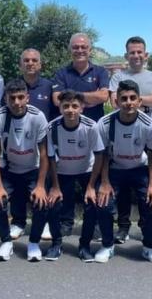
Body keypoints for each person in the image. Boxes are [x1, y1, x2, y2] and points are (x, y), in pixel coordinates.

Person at [0, 79, 49, 261]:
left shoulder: (38, 116)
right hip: (8, 169)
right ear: (5, 99)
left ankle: (33, 243)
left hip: (32, 168)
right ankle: (6, 241)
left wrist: (41, 185)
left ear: (27, 98)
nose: (16, 102)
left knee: (42, 202)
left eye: (20, 97)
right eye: (12, 98)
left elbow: (44, 153)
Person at [96, 80, 152, 264]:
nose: (128, 102)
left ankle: (149, 246)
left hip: (139, 169)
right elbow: (103, 154)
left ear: (139, 101)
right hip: (114, 169)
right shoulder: (105, 123)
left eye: (133, 98)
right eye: (124, 98)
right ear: (116, 101)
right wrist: (104, 182)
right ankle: (107, 245)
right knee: (103, 204)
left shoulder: (149, 124)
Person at [108, 36, 152, 243]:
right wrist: (142, 101)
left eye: (139, 52)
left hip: (148, 133)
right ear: (126, 55)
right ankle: (123, 227)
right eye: (132, 52)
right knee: (123, 187)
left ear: (146, 54)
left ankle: (145, 227)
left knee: (146, 186)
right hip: (123, 131)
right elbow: (115, 102)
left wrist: (134, 102)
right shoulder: (118, 77)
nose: (136, 56)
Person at [46, 90, 106, 262]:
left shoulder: (91, 126)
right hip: (62, 171)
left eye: (74, 106)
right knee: (52, 204)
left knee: (92, 203)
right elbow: (50, 157)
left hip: (86, 170)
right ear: (60, 108)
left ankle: (85, 245)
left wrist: (91, 187)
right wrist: (55, 187)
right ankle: (56, 244)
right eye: (66, 106)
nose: (70, 110)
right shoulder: (51, 127)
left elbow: (99, 155)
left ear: (82, 108)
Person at [11, 48, 58, 239]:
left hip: (42, 143)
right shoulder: (13, 86)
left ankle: (43, 221)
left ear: (40, 64)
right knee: (18, 186)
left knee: (42, 184)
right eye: (26, 60)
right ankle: (18, 222)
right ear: (20, 64)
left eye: (34, 60)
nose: (30, 63)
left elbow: (56, 114)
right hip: (18, 142)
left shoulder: (49, 86)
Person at [52, 33, 109, 122]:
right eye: (75, 47)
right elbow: (57, 100)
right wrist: (91, 99)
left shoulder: (101, 71)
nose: (80, 50)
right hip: (68, 126)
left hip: (94, 125)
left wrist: (73, 96)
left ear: (90, 50)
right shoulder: (61, 73)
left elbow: (103, 96)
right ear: (70, 50)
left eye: (83, 47)